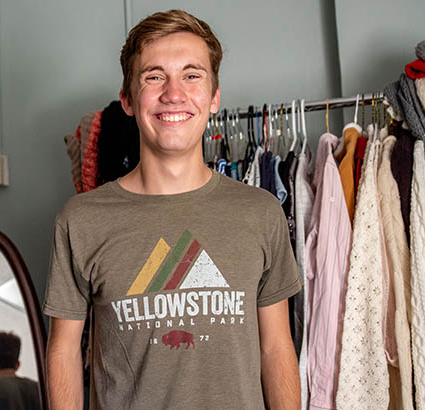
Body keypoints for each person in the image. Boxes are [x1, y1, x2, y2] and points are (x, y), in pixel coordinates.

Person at [43, 9, 302, 410]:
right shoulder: (80, 219)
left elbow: (276, 347)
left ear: (214, 97)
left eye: (192, 75)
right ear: (128, 100)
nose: (173, 93)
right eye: (154, 76)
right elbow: (63, 351)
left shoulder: (261, 212)